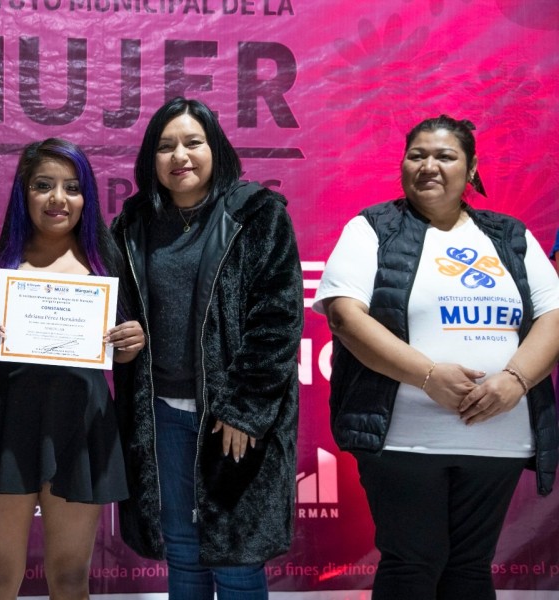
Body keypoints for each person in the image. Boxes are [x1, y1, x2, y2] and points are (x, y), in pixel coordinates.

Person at [313, 115, 559, 600]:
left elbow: (553, 317)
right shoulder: (371, 228)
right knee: (412, 563)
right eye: (417, 155)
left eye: (444, 156)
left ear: (470, 170)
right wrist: (427, 376)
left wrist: (514, 380)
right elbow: (345, 316)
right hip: (405, 439)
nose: (428, 165)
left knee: (470, 568)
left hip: (498, 440)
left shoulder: (509, 236)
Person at [110, 97, 304, 600]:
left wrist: (244, 409)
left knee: (236, 558)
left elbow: (278, 320)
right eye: (165, 146)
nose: (181, 156)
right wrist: (118, 337)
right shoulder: (133, 223)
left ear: (215, 147)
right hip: (163, 413)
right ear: (150, 159)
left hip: (233, 419)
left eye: (193, 143)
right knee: (183, 551)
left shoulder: (256, 214)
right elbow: (116, 309)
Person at [0, 138, 144, 600]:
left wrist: (133, 343)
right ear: (24, 193)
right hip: (6, 423)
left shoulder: (108, 261)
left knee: (71, 579)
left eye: (72, 188)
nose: (59, 199)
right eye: (44, 185)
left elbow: (123, 354)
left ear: (87, 198)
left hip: (81, 428)